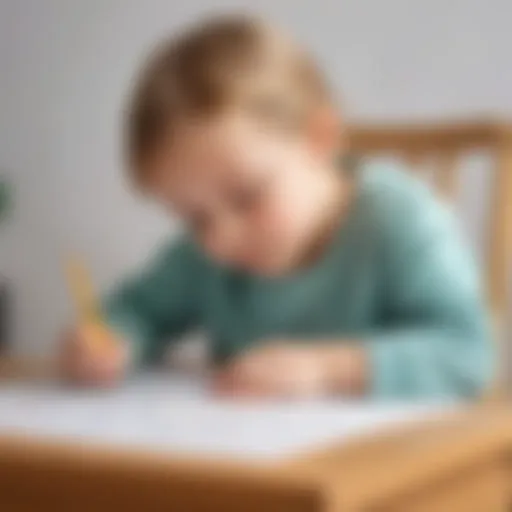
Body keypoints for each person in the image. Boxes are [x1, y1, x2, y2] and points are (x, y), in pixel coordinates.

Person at [59, 15, 493, 399]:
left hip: (389, 475)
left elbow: (470, 354)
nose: (221, 238)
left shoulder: (399, 222)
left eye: (247, 196)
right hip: (258, 476)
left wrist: (327, 370)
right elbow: (136, 311)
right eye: (194, 218)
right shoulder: (203, 252)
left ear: (318, 140)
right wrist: (107, 343)